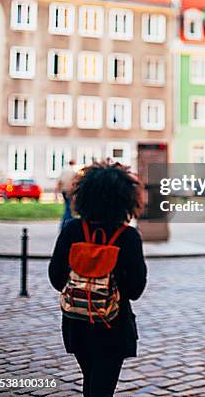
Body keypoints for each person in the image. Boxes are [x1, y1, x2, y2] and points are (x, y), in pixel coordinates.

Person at [48, 161, 147, 397]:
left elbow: (55, 278)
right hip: (113, 325)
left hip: (77, 322)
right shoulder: (128, 236)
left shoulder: (72, 230)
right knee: (102, 387)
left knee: (91, 378)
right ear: (125, 199)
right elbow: (135, 289)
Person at [55, 159, 77, 229]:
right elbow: (74, 182)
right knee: (69, 208)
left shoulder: (64, 171)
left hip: (64, 191)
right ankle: (66, 224)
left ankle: (64, 224)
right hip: (70, 191)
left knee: (67, 207)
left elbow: (59, 182)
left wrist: (56, 193)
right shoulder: (73, 171)